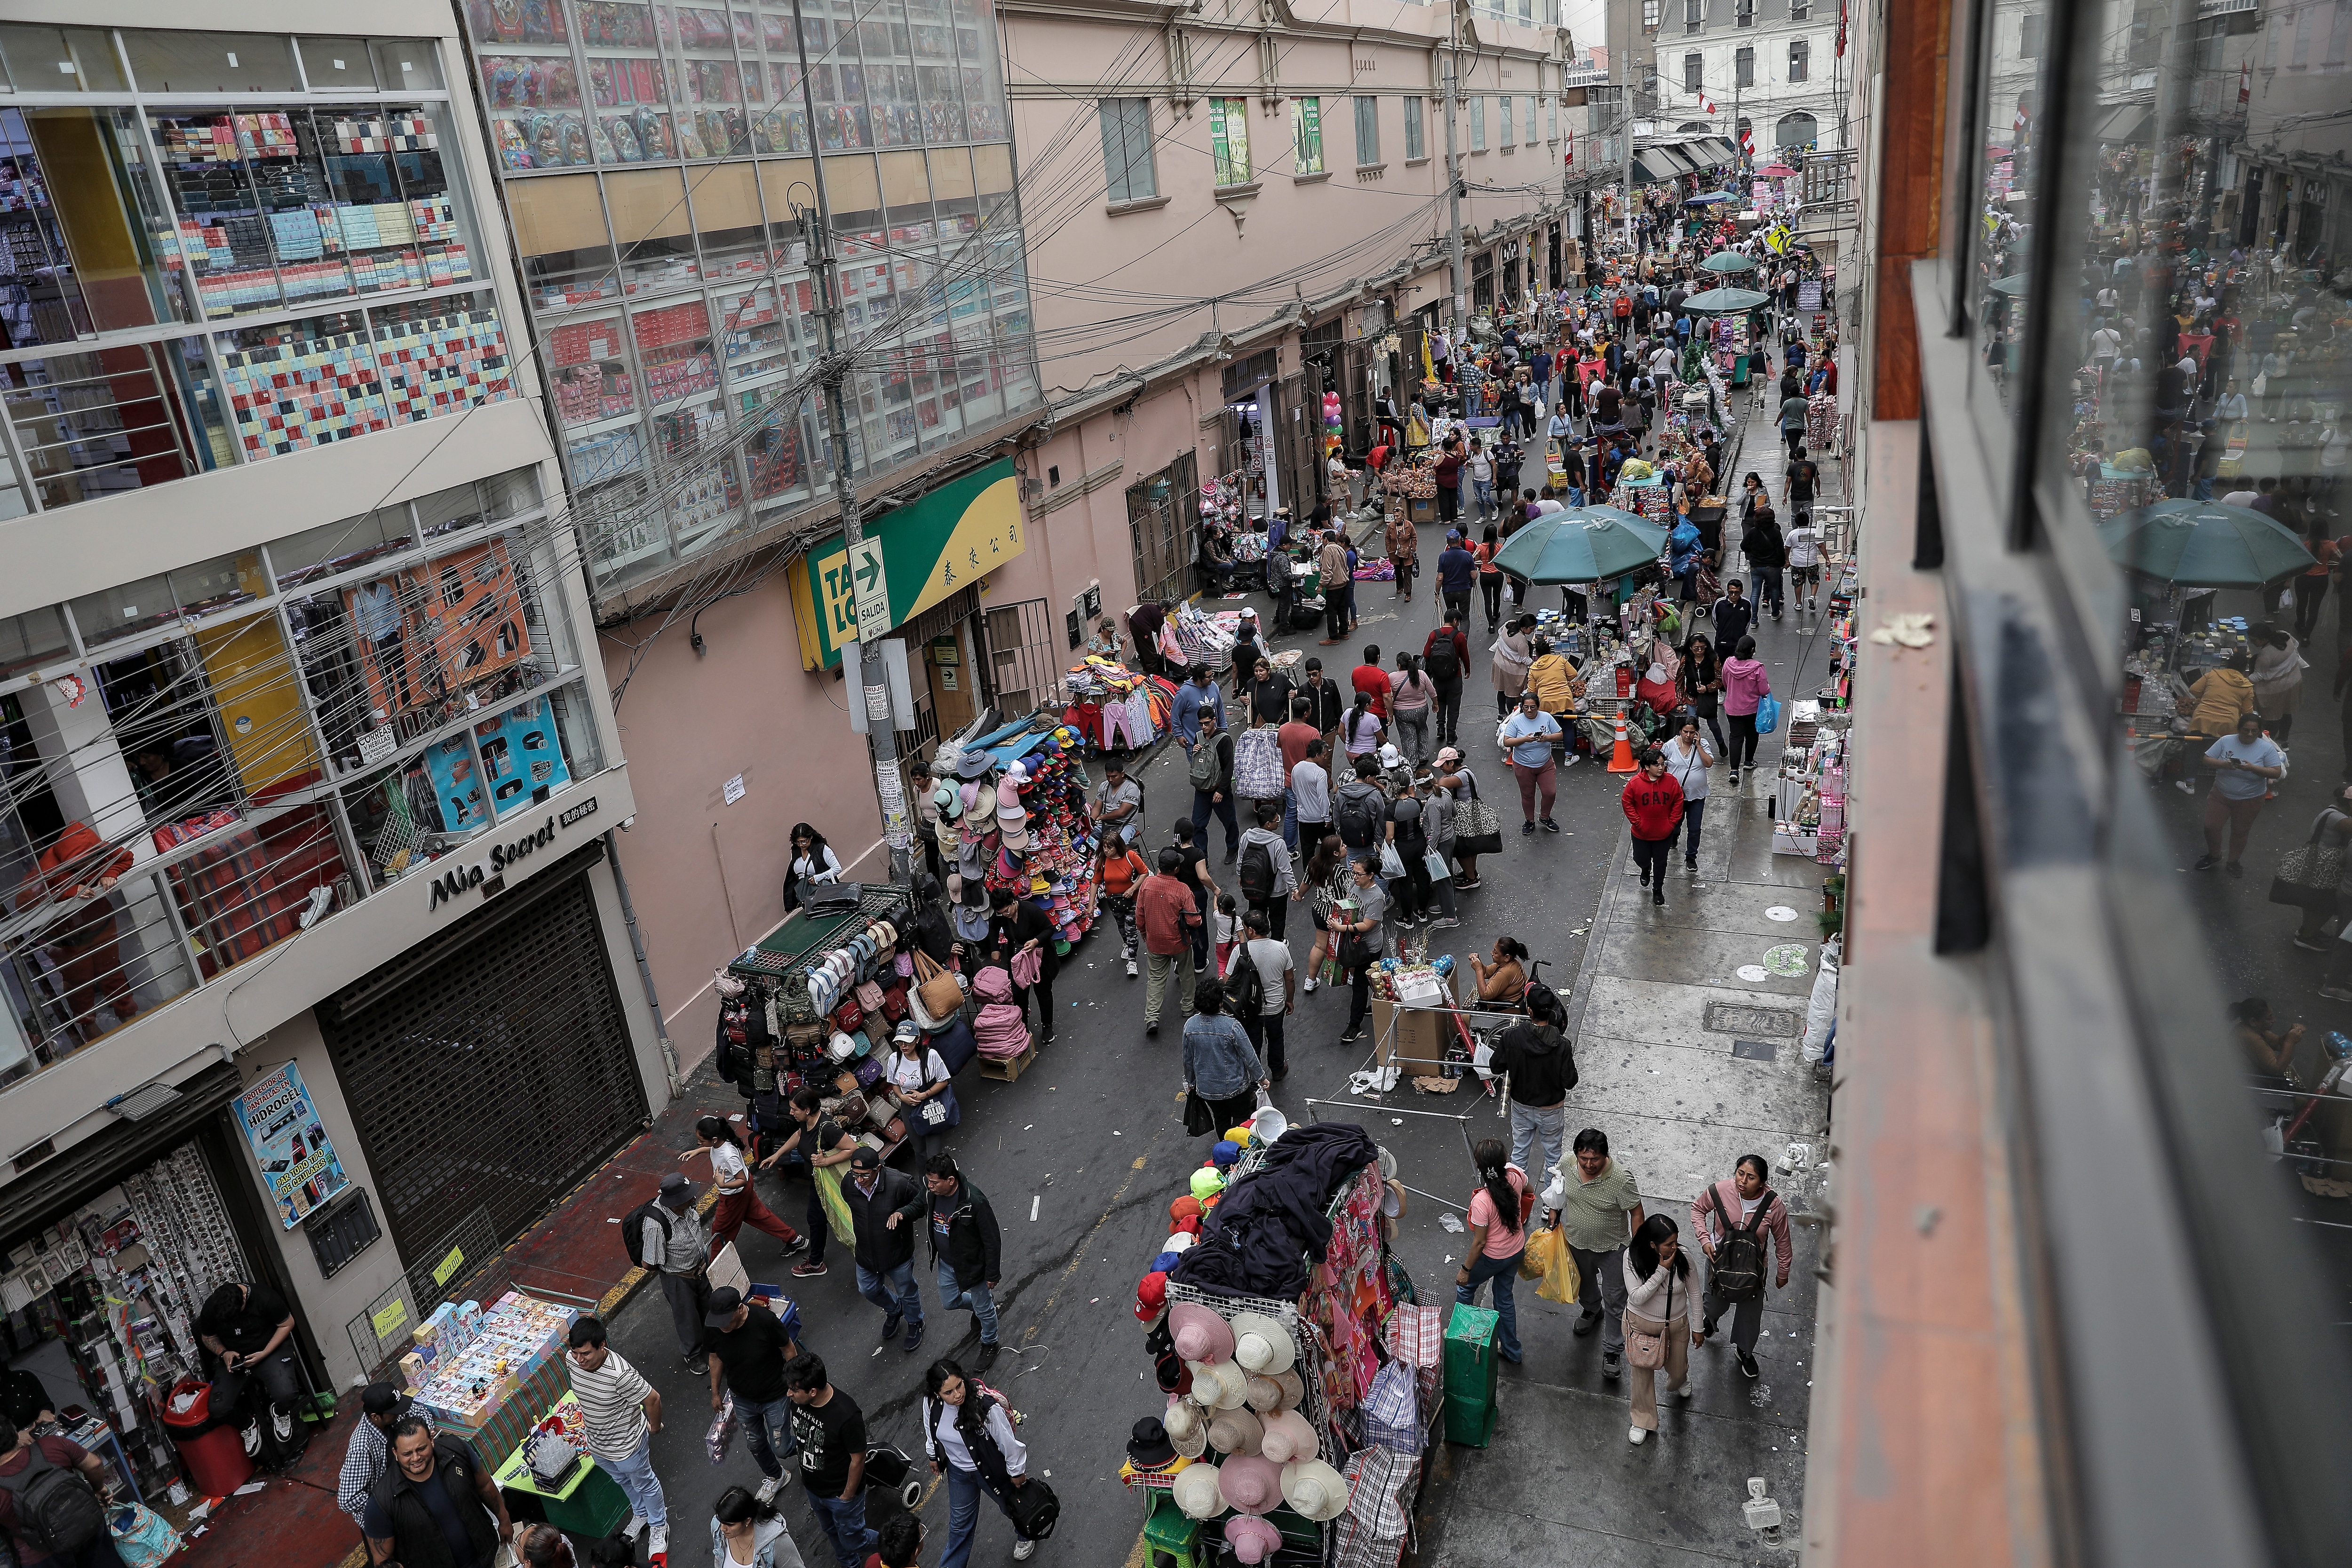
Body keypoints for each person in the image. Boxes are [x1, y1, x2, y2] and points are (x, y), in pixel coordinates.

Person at [561, 1317, 670, 1554]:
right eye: (575, 1352)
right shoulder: (572, 1360)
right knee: (623, 1481)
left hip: (628, 1445)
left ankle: (659, 1525)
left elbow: (653, 1399)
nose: (580, 1360)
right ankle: (641, 1514)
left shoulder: (620, 1375)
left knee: (645, 1483)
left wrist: (655, 1427)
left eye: (586, 1354)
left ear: (602, 1346)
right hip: (598, 1445)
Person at [921, 1359, 1035, 1567]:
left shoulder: (985, 1408)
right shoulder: (930, 1403)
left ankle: (1026, 1534)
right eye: (949, 1392)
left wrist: (1017, 1472)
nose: (957, 1395)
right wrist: (933, 1455)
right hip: (958, 1472)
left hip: (990, 1470)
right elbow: (931, 1430)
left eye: (959, 1386)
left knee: (1012, 1507)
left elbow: (1008, 1443)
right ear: (937, 1393)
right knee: (959, 1527)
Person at [1552, 1128, 1646, 1379]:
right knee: (1583, 1283)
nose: (1589, 1164)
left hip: (1613, 1249)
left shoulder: (1621, 1179)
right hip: (1575, 1241)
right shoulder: (1567, 1163)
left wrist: (1637, 1248)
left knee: (1616, 1299)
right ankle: (1592, 1309)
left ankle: (1613, 1349)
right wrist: (1553, 1212)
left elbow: (1637, 1213)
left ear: (1606, 1156)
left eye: (1595, 1159)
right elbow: (1558, 1188)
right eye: (1584, 1158)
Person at [1691, 1155, 1794, 1380]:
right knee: (1714, 1303)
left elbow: (1783, 1241)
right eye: (1740, 1173)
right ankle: (1710, 1320)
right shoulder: (1718, 1192)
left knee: (1750, 1316)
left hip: (1754, 1273)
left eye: (1751, 1177)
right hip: (1719, 1265)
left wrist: (1783, 1271)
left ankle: (1745, 1351)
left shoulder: (1773, 1206)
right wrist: (1705, 1240)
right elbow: (1698, 1210)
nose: (1743, 1181)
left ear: (1763, 1182)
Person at [363, 1418, 514, 1568]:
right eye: (407, 1454)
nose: (416, 1458)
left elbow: (485, 1485)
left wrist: (505, 1520)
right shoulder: (383, 1500)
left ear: (432, 1440)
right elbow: (382, 1562)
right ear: (395, 1453)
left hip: (485, 1559)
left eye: (421, 1449)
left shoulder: (456, 1451)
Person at [194, 1279, 305, 1459]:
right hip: (236, 1358)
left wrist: (264, 1353)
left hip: (269, 1350)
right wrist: (224, 1353)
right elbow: (208, 1337)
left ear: (244, 1299)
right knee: (218, 1409)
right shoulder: (212, 1307)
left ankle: (280, 1412)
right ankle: (248, 1424)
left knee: (287, 1394)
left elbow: (287, 1324)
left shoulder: (265, 1297)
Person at [785, 1356, 875, 1568]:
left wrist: (847, 1496)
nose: (789, 1394)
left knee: (855, 1540)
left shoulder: (846, 1415)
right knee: (832, 1532)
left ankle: (897, 1547)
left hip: (840, 1495)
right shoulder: (799, 1402)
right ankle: (850, 1565)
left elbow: (858, 1459)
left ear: (813, 1392)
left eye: (794, 1390)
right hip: (814, 1490)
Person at [1, 1415, 123, 1568]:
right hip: (86, 1524)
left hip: (43, 1555)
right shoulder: (50, 1444)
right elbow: (94, 1464)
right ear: (14, 1432)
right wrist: (99, 1489)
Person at [683, 1114, 807, 1262]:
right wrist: (699, 1151)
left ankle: (715, 1266)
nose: (699, 1143)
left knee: (719, 1232)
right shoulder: (723, 1142)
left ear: (714, 1140)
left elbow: (741, 1180)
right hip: (744, 1191)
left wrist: (722, 1185)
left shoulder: (729, 1156)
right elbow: (716, 1151)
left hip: (734, 1196)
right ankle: (794, 1240)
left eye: (702, 1141)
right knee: (761, 1216)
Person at [922, 1156, 1006, 1374]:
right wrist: (902, 1213)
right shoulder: (932, 1194)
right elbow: (918, 1205)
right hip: (948, 1264)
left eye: (934, 1182)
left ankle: (990, 1343)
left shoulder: (975, 1201)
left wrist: (992, 1274)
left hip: (974, 1268)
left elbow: (992, 1239)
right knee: (950, 1302)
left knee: (984, 1309)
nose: (929, 1187)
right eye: (928, 1181)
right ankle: (982, 1308)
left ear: (950, 1180)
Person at [1620, 1215, 1699, 1445]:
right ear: (1653, 1245)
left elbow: (1694, 1292)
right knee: (1642, 1374)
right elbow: (1637, 1298)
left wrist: (1698, 1327)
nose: (1675, 1247)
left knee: (1677, 1368)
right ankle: (1642, 1420)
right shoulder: (1631, 1257)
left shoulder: (1685, 1258)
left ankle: (1681, 1379)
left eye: (1676, 1242)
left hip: (1676, 1324)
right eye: (1669, 1244)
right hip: (1640, 1324)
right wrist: (1662, 1271)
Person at [842, 1146, 927, 1353]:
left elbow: (923, 1203)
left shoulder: (900, 1183)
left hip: (897, 1253)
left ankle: (916, 1322)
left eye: (865, 1175)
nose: (859, 1180)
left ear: (878, 1169)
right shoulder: (849, 1184)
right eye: (856, 1174)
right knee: (868, 1289)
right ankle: (894, 1309)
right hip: (866, 1254)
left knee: (907, 1291)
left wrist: (902, 1213)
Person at [1452, 1140, 1529, 1365]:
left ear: (1479, 1167)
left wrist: (1465, 1270)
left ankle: (1462, 1340)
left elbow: (1479, 1243)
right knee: (1504, 1299)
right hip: (1516, 1249)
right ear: (1505, 1160)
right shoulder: (1515, 1176)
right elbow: (1529, 1189)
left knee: (1465, 1289)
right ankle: (1512, 1351)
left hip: (1494, 1257)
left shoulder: (1482, 1201)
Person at [1488, 987, 1575, 1179]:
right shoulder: (1562, 1045)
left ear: (1529, 1010)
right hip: (1552, 1110)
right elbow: (1570, 1081)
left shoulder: (1511, 1037)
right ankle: (1550, 1208)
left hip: (1521, 1107)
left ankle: (1518, 1201)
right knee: (1554, 1160)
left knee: (1519, 1155)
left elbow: (1495, 1066)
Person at [773, 1088, 856, 1281]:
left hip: (831, 1185)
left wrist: (825, 1162)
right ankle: (817, 1262)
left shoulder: (827, 1128)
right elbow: (799, 1136)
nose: (791, 1113)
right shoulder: (806, 1124)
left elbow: (851, 1148)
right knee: (816, 1220)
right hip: (817, 1185)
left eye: (795, 1110)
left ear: (808, 1110)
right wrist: (777, 1155)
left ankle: (870, 1254)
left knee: (848, 1220)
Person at [642, 1171, 717, 1373]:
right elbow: (649, 1263)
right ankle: (692, 1354)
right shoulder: (655, 1225)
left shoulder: (689, 1207)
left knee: (710, 1309)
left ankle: (714, 1345)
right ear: (674, 1202)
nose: (693, 1199)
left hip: (701, 1268)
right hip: (678, 1279)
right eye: (687, 1197)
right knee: (687, 1318)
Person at [2198, 710, 2286, 876]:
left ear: (2260, 731)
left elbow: (2276, 772)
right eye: (2246, 730)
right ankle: (2214, 855)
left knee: (2240, 832)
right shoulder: (2226, 741)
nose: (2250, 734)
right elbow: (2207, 759)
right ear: (2239, 729)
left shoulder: (2266, 749)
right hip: (2221, 794)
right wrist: (2224, 765)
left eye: (2254, 731)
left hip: (2250, 799)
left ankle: (2233, 862)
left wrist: (2252, 768)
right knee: (2211, 827)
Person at [339, 1385, 436, 1534]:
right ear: (376, 1417)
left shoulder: (395, 1413)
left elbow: (420, 1412)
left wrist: (427, 1433)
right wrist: (388, 1506)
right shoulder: (362, 1448)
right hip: (389, 1510)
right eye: (394, 1411)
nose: (401, 1412)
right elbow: (347, 1500)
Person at [1183, 977, 1268, 1134]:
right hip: (1235, 1088)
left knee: (1221, 1119)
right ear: (1220, 1003)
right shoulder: (1232, 1026)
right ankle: (1240, 1147)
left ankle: (1225, 1147)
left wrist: (1191, 1082)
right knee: (1241, 1117)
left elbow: (1188, 1059)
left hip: (1208, 1089)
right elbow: (1249, 1056)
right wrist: (1261, 1078)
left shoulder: (1190, 1026)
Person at [1223, 907, 1295, 1082]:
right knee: (1276, 1038)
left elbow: (1226, 981)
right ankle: (1278, 1069)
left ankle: (1254, 1076)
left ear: (1251, 930)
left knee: (1252, 1042)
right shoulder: (1281, 948)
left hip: (1248, 1009)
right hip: (1275, 1007)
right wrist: (1289, 1000)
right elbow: (1290, 979)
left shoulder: (1240, 951)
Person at [985, 886, 1058, 1045]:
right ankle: (1023, 1026)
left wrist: (1035, 941)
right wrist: (995, 949)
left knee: (1043, 991)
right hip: (1017, 958)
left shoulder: (1031, 910)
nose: (1005, 915)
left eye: (1007, 911)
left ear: (1013, 903)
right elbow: (993, 928)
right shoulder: (1001, 914)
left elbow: (1049, 929)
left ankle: (1047, 1026)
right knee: (1019, 993)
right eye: (1002, 913)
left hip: (1040, 957)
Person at [1138, 846, 1201, 1035]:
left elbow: (1140, 914)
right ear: (1176, 869)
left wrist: (1144, 934)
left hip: (1155, 942)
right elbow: (1193, 920)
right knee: (1186, 973)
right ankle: (1188, 1007)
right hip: (1178, 942)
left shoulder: (1147, 885)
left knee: (1156, 979)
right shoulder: (1182, 890)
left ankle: (1152, 1017)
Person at [1333, 855, 1391, 1045]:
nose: (1355, 877)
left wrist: (1342, 928)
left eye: (1359, 874)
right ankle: (1384, 999)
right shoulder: (1355, 885)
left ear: (1371, 875)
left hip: (1369, 949)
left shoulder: (1377, 898)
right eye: (1354, 873)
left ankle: (1354, 1026)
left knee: (1358, 984)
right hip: (1355, 943)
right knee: (1369, 979)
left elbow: (1367, 925)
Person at [884, 1021, 958, 1163]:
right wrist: (902, 1097)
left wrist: (924, 1095)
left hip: (931, 1105)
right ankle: (926, 1181)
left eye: (907, 1042)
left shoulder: (931, 1056)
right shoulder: (894, 1059)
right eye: (900, 1042)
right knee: (918, 1149)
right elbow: (894, 1084)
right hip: (909, 1107)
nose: (903, 1046)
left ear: (917, 1039)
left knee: (934, 1154)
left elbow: (944, 1081)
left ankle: (942, 1178)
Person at [1622, 747, 1687, 907]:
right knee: (1640, 858)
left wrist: (1671, 823)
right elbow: (1627, 802)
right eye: (1657, 765)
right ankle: (1645, 869)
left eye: (1663, 764)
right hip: (1641, 835)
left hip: (1663, 835)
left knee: (1661, 863)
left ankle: (1658, 889)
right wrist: (1638, 822)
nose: (1661, 768)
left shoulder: (1671, 782)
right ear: (1646, 767)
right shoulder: (1635, 784)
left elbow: (1679, 801)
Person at [1293, 832, 1352, 997]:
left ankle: (1310, 980)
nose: (1345, 847)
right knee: (1349, 944)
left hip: (1319, 910)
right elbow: (1349, 895)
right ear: (1335, 853)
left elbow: (1306, 883)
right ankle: (1352, 977)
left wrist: (1299, 895)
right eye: (1342, 846)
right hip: (1337, 913)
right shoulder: (1341, 872)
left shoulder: (1314, 863)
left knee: (1320, 946)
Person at [1500, 690, 1564, 833]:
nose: (1529, 710)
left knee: (1550, 793)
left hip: (1545, 764)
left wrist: (1547, 738)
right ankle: (1529, 821)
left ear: (1538, 707)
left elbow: (1559, 735)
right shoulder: (1516, 721)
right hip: (1523, 766)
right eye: (1526, 707)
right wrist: (1525, 739)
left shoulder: (1546, 717)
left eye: (1533, 707)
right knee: (1528, 795)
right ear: (1522, 707)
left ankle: (1545, 817)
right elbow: (1507, 741)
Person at [1430, 748, 1493, 889]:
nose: (1441, 769)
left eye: (1443, 765)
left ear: (1451, 763)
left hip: (1465, 817)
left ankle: (1471, 879)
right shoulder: (1465, 771)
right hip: (1473, 814)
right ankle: (1471, 872)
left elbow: (1441, 785)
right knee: (1471, 846)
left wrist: (1442, 779)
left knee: (1461, 848)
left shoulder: (1460, 776)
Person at [1661, 715, 1716, 870]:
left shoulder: (1703, 745)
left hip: (1697, 795)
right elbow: (1662, 768)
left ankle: (1691, 856)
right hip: (1676, 797)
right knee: (1675, 823)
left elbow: (1709, 763)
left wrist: (1698, 746)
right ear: (1680, 731)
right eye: (1686, 732)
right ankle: (1674, 836)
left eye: (1692, 732)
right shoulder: (1670, 746)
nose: (1688, 736)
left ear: (1697, 733)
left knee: (1694, 828)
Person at [1186, 706, 1240, 865]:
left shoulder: (1224, 739)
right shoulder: (1198, 737)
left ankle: (1233, 847)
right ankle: (1202, 857)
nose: (1204, 727)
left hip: (1219, 790)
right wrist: (1194, 752)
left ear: (1214, 720)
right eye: (1201, 724)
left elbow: (1229, 767)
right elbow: (1198, 763)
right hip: (1202, 790)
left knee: (1229, 821)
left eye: (1207, 723)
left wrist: (1222, 790)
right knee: (1197, 825)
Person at [710, 1484, 809, 1568]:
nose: (723, 1528)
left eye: (730, 1525)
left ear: (747, 1521)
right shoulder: (717, 1527)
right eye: (721, 1521)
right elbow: (719, 1558)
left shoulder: (777, 1543)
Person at [1236, 801, 1294, 941]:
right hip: (1277, 892)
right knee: (1278, 920)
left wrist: (1241, 877)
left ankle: (1258, 942)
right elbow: (1285, 870)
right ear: (1268, 825)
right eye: (1276, 820)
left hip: (1255, 887)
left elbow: (1241, 861)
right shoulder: (1278, 843)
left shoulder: (1246, 837)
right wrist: (1295, 889)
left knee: (1257, 917)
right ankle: (1278, 943)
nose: (1278, 822)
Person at [1722, 636, 1772, 788]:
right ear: (1752, 650)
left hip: (1732, 708)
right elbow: (1764, 690)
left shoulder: (1728, 663)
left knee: (1735, 738)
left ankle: (1734, 771)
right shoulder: (1757, 668)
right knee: (1752, 735)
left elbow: (1725, 683)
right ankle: (1749, 761)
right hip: (1751, 709)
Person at [2250, 624, 2305, 746]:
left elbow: (2259, 676)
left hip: (2277, 690)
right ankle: (2283, 740)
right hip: (2294, 681)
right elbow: (2296, 646)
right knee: (2287, 713)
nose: (2252, 643)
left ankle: (2270, 744)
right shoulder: (2285, 635)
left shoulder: (2266, 654)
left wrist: (2243, 681)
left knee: (2272, 718)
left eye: (2254, 640)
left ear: (2263, 639)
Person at [1422, 612, 1470, 749]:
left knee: (1441, 701)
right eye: (1458, 622)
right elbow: (1465, 656)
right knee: (1454, 706)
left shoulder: (1434, 634)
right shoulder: (1459, 636)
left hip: (1438, 677)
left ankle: (1440, 728)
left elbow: (1426, 654)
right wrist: (1467, 670)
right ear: (1455, 621)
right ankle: (1451, 735)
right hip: (1455, 677)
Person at [2230, 996, 2306, 1078]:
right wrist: (2290, 1042)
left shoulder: (2254, 1029)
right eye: (2269, 1018)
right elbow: (2277, 1070)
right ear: (2253, 1022)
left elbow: (2278, 1043)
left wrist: (2291, 1034)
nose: (2274, 1020)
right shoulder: (2250, 1038)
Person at [1677, 635, 1727, 755]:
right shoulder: (1686, 660)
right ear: (1690, 648)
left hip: (1708, 698)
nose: (1699, 651)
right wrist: (1679, 702)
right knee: (1691, 725)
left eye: (1702, 648)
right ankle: (1693, 748)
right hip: (1691, 697)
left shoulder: (1713, 659)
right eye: (1696, 648)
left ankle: (1721, 744)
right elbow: (1679, 680)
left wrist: (1708, 688)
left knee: (1713, 725)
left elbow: (1720, 680)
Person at [783, 824, 844, 914]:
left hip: (823, 895)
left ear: (811, 837)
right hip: (804, 897)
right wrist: (790, 903)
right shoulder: (795, 851)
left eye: (804, 841)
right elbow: (792, 876)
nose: (801, 845)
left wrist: (818, 878)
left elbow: (837, 868)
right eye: (798, 842)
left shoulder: (822, 849)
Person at [1390, 652, 1438, 766]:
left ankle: (1412, 763)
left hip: (1402, 712)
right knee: (1422, 730)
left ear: (1399, 666)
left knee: (1408, 736)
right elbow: (1432, 692)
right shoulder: (1421, 674)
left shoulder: (1392, 677)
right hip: (1421, 709)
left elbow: (1388, 696)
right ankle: (1423, 756)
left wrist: (1390, 712)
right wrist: (1435, 704)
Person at [1740, 503, 1786, 621]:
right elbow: (1781, 551)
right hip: (1772, 566)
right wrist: (1782, 563)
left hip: (1756, 565)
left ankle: (1754, 619)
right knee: (1774, 590)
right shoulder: (1776, 533)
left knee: (1755, 592)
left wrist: (1752, 554)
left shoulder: (1752, 532)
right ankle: (1775, 614)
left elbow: (1743, 546)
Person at [1291, 736, 1333, 850]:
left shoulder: (1296, 768)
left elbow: (1295, 790)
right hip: (1319, 819)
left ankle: (1308, 868)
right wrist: (1327, 818)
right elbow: (1323, 797)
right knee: (1331, 849)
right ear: (1317, 755)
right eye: (1324, 755)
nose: (1325, 757)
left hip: (1304, 818)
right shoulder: (1320, 773)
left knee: (1307, 850)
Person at [1094, 754, 1143, 850]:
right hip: (1106, 824)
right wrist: (1092, 820)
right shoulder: (1104, 786)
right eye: (1108, 776)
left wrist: (1101, 817)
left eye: (1114, 777)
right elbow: (1097, 807)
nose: (1110, 780)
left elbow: (1122, 812)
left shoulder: (1132, 788)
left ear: (1123, 774)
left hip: (1126, 824)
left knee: (1116, 847)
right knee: (1089, 841)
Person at [1490, 614, 1534, 717]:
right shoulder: (1522, 641)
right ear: (1525, 627)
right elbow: (1525, 659)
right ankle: (1511, 717)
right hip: (1511, 669)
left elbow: (1500, 632)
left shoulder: (1509, 624)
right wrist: (1536, 664)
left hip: (1499, 662)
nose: (1532, 631)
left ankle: (1501, 714)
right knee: (1511, 694)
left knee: (1501, 690)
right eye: (1531, 629)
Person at [1467, 936, 1528, 1009]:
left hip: (1505, 1009)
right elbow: (1486, 972)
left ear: (1507, 957)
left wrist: (1478, 969)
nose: (1491, 953)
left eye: (1495, 952)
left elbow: (1485, 995)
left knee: (1465, 1017)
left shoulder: (1506, 972)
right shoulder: (1506, 963)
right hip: (1504, 1003)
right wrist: (1478, 962)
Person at [1785, 513, 1824, 614]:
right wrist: (1827, 559)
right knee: (1814, 580)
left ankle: (1798, 603)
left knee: (1798, 582)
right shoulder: (1814, 532)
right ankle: (1812, 596)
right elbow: (1820, 546)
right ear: (1808, 521)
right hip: (1812, 561)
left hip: (1797, 562)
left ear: (1796, 522)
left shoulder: (1792, 534)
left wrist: (1787, 560)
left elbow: (1787, 548)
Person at [1436, 531, 1478, 625]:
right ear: (1459, 540)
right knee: (1465, 618)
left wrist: (1437, 593)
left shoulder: (1443, 557)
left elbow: (1440, 578)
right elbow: (1474, 576)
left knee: (1451, 617)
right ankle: (1463, 638)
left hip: (1448, 591)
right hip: (1464, 590)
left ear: (1447, 542)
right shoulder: (1467, 555)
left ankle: (1453, 638)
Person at [1317, 532, 1352, 644]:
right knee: (1342, 610)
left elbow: (1327, 571)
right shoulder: (1340, 548)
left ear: (1326, 539)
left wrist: (1321, 585)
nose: (1323, 542)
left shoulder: (1328, 550)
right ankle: (1344, 632)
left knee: (1331, 612)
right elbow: (1346, 567)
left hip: (1334, 586)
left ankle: (1333, 637)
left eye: (1323, 540)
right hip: (1343, 583)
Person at [1710, 577, 1754, 662]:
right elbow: (1714, 620)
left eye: (1737, 593)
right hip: (1721, 643)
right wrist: (1722, 631)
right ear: (1727, 591)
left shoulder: (1747, 604)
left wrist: (1741, 635)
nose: (1733, 596)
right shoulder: (1720, 603)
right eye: (1731, 593)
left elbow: (1748, 622)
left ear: (1741, 592)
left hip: (1738, 645)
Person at [1385, 508, 1419, 600]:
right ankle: (1400, 587)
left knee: (1407, 572)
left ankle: (1408, 593)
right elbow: (1387, 538)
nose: (1396, 518)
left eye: (1398, 516)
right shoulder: (1391, 526)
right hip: (1395, 554)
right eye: (1394, 516)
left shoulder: (1409, 525)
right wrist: (1389, 549)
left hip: (1407, 554)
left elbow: (1414, 537)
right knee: (1397, 570)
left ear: (1403, 516)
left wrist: (1413, 548)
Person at [1478, 523, 1507, 629]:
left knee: (1487, 601)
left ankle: (1491, 625)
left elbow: (1478, 562)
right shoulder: (1500, 547)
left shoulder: (1480, 547)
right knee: (1497, 596)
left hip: (1485, 576)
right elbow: (1503, 563)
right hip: (1498, 575)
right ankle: (1495, 614)